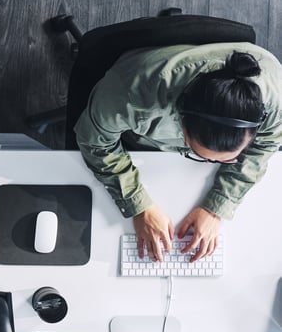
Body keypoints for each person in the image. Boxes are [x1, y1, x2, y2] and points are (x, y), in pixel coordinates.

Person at [75, 43, 282, 262]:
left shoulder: (277, 104)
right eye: (198, 154)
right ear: (180, 121)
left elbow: (266, 145)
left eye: (228, 158)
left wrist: (216, 207)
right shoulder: (130, 95)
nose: (208, 163)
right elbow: (95, 143)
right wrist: (139, 206)